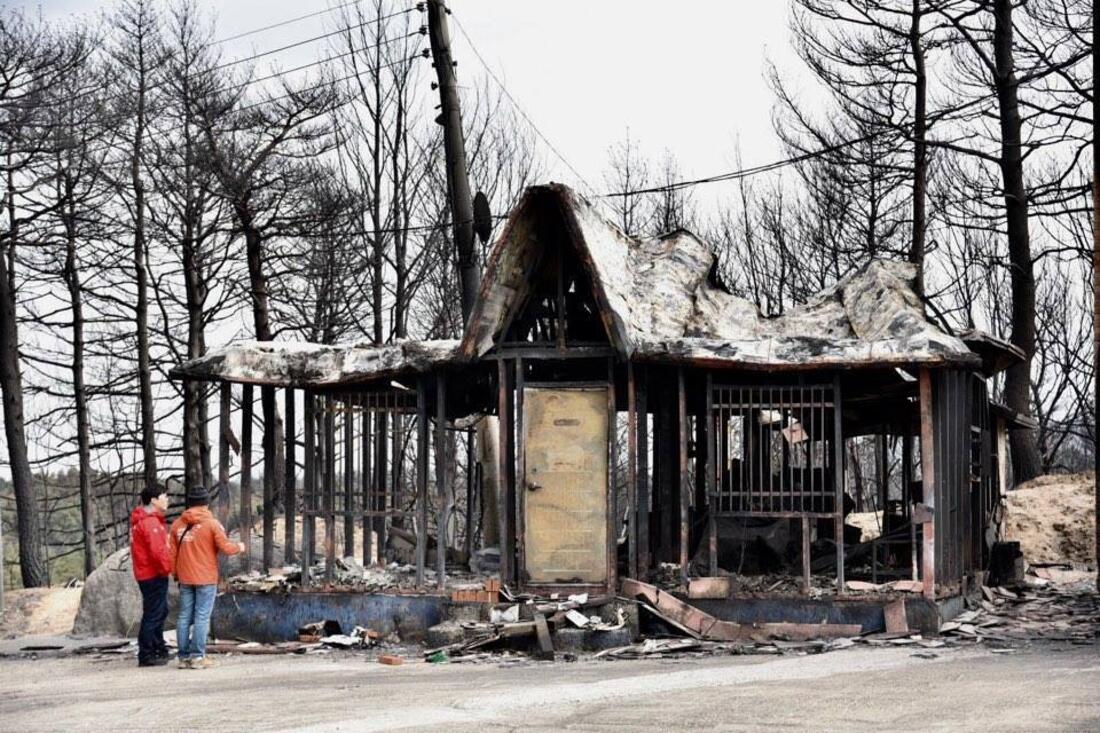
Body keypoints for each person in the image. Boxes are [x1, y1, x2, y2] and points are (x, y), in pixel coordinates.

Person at [169, 485, 245, 670]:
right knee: (202, 616)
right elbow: (226, 548)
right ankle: (197, 657)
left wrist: (175, 573)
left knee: (184, 616)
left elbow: (172, 554)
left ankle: (183, 657)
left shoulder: (178, 525)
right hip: (206, 577)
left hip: (185, 578)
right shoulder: (212, 524)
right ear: (206, 503)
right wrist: (240, 547)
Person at [130, 486, 173, 667]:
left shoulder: (143, 521)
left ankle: (157, 647)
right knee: (154, 614)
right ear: (154, 500)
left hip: (146, 574)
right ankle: (147, 653)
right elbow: (158, 552)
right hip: (152, 574)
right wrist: (168, 569)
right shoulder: (150, 523)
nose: (167, 500)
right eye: (164, 496)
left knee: (158, 611)